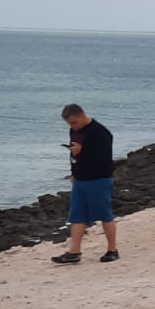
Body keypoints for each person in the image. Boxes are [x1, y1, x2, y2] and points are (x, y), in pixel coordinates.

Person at [52, 104, 119, 265]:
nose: (72, 126)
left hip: (99, 178)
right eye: (69, 124)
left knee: (104, 214)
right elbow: (75, 154)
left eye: (74, 122)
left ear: (82, 116)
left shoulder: (100, 132)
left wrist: (82, 151)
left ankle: (112, 250)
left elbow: (103, 156)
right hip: (80, 179)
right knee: (77, 215)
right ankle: (74, 252)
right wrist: (74, 172)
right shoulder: (74, 130)